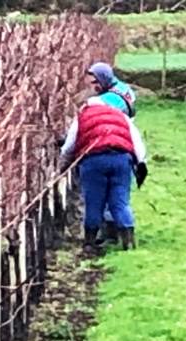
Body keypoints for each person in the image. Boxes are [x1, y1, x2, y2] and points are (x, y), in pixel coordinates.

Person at [59, 63, 148, 253]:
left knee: (94, 201)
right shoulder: (121, 110)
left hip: (94, 160)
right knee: (120, 200)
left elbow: (69, 145)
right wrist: (141, 162)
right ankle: (128, 241)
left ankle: (90, 242)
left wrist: (64, 166)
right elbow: (135, 138)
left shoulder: (84, 114)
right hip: (122, 158)